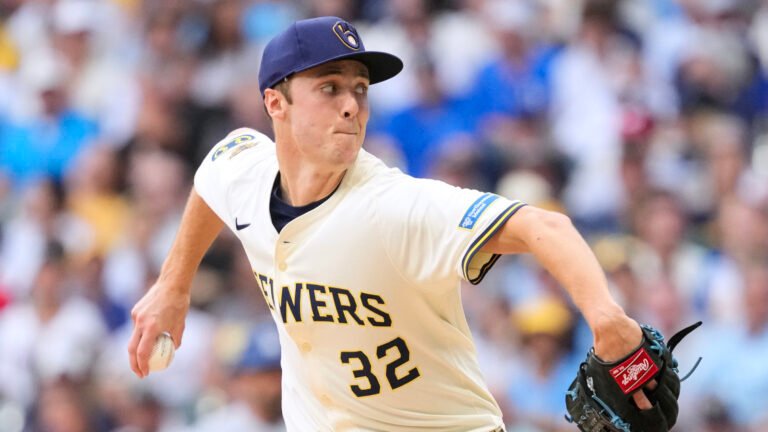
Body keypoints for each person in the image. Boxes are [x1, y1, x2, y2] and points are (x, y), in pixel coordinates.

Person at [129, 16, 655, 431]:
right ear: (275, 102)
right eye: (329, 88)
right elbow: (213, 178)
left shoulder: (395, 207)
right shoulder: (244, 168)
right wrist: (174, 284)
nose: (352, 106)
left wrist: (606, 319)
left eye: (360, 89)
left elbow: (547, 228)